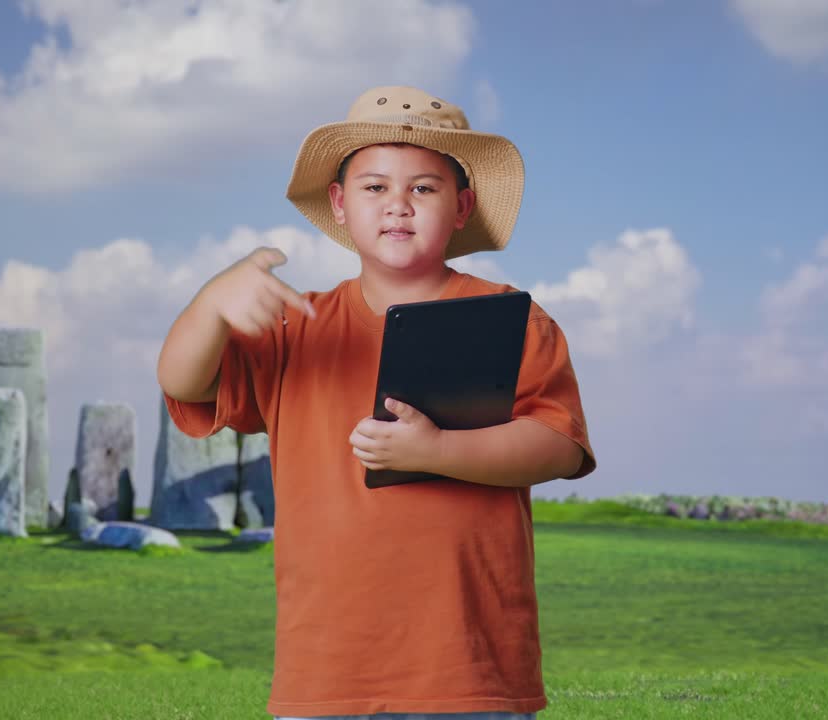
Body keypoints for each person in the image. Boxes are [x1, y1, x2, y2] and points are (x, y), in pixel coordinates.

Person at [157, 85, 597, 720]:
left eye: (424, 188)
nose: (398, 205)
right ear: (339, 204)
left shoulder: (512, 321)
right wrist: (210, 306)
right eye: (374, 188)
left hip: (468, 668)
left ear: (462, 206)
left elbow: (558, 445)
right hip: (327, 669)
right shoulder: (295, 327)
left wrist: (439, 450)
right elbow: (183, 383)